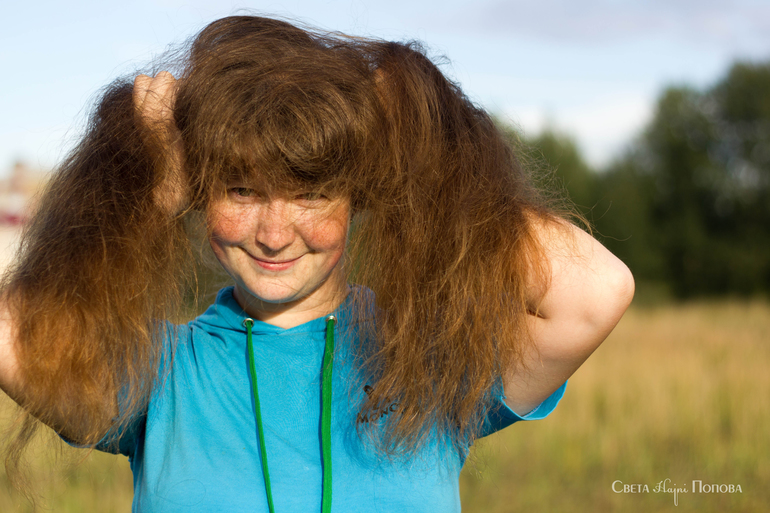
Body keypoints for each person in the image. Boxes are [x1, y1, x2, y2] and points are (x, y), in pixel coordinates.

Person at [0, 15, 634, 512]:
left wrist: (422, 148)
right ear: (195, 194)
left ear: (361, 192)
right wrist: (141, 191)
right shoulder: (160, 375)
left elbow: (595, 291)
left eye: (311, 192)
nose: (275, 234)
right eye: (241, 190)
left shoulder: (427, 356)